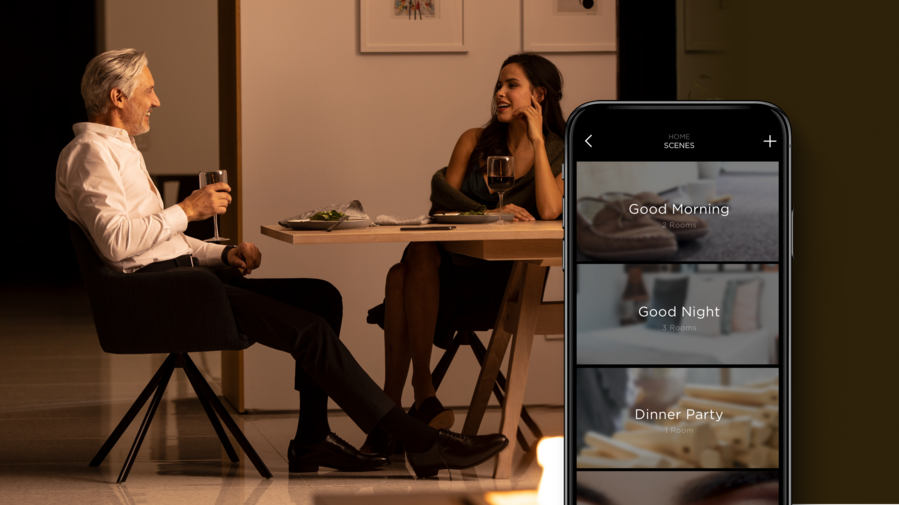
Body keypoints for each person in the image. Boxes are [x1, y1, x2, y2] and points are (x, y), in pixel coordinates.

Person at [56, 48, 507, 479]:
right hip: (159, 296)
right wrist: (189, 210)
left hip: (182, 280)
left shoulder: (120, 149)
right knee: (306, 330)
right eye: (148, 90)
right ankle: (421, 441)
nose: (157, 100)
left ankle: (312, 438)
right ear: (118, 97)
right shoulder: (90, 154)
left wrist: (221, 254)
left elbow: (158, 240)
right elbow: (117, 244)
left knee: (320, 298)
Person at [362, 53, 565, 454]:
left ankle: (395, 410)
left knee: (397, 278)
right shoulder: (474, 141)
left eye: (511, 85)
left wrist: (539, 141)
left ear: (539, 95)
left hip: (501, 284)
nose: (500, 93)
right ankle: (422, 395)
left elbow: (548, 210)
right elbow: (441, 204)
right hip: (444, 277)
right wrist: (490, 214)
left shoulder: (560, 150)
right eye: (498, 85)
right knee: (413, 260)